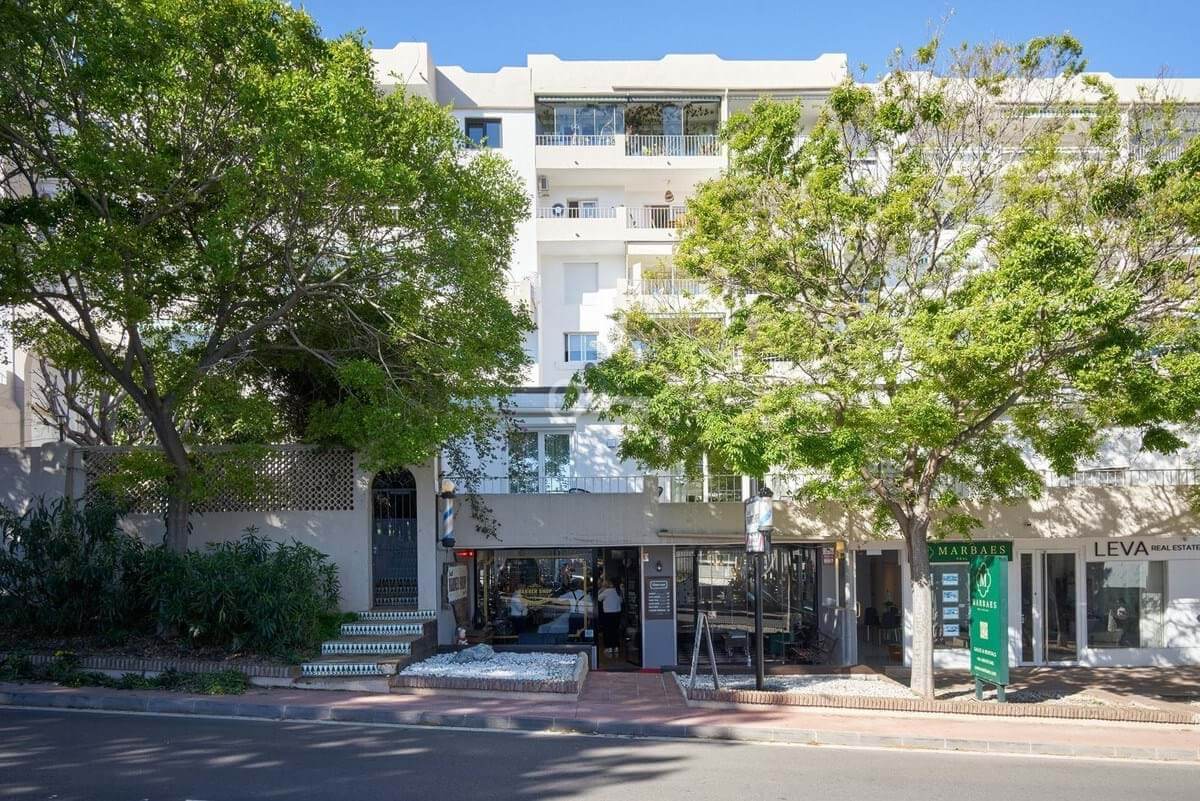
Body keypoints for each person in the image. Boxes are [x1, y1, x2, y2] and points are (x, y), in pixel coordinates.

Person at [597, 577, 623, 657]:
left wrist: (601, 590)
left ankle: (609, 647)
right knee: (615, 630)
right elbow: (621, 601)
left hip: (608, 614)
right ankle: (616, 647)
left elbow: (598, 598)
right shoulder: (618, 591)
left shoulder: (606, 591)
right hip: (617, 613)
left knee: (607, 631)